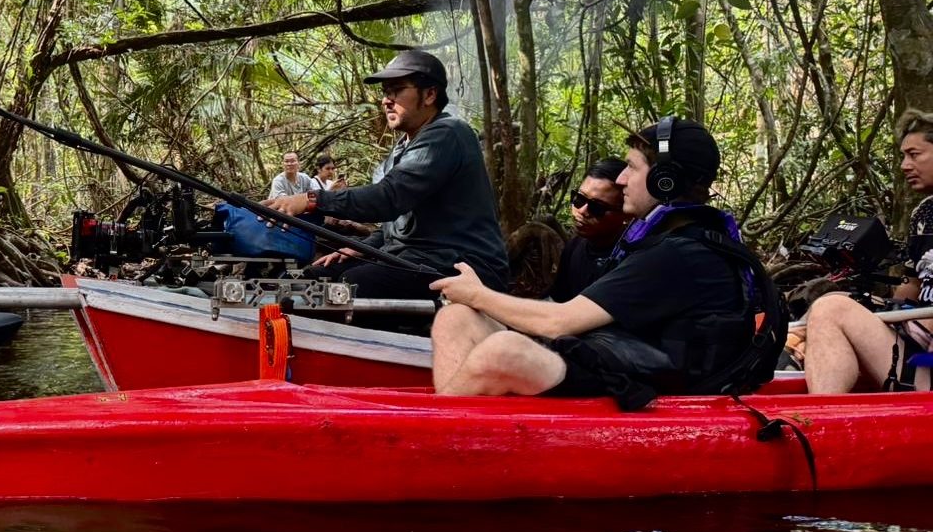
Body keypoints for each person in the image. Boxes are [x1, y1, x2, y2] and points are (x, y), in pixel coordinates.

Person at [430, 117, 774, 409]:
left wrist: (477, 294)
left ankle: (435, 434)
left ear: (664, 179)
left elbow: (558, 322)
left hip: (648, 391)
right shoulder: (663, 241)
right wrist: (471, 302)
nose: (621, 179)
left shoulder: (680, 253)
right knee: (455, 319)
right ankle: (459, 426)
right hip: (615, 364)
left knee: (504, 351)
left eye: (632, 168)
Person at [264, 50, 509, 300]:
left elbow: (388, 198)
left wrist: (312, 199)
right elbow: (396, 227)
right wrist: (362, 248)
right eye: (385, 92)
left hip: (464, 266)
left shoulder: (448, 133)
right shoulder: (403, 148)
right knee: (315, 275)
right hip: (415, 258)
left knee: (355, 284)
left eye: (397, 90)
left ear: (430, 94)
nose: (386, 100)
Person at [803, 109, 933, 393]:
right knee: (833, 301)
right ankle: (826, 411)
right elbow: (912, 286)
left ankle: (824, 414)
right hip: (918, 349)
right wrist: (884, 309)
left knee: (832, 309)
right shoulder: (923, 213)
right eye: (903, 156)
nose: (905, 165)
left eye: (914, 155)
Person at [547, 158, 631, 302]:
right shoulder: (574, 247)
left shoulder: (633, 260)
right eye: (579, 199)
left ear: (626, 214)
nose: (582, 211)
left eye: (597, 207)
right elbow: (560, 301)